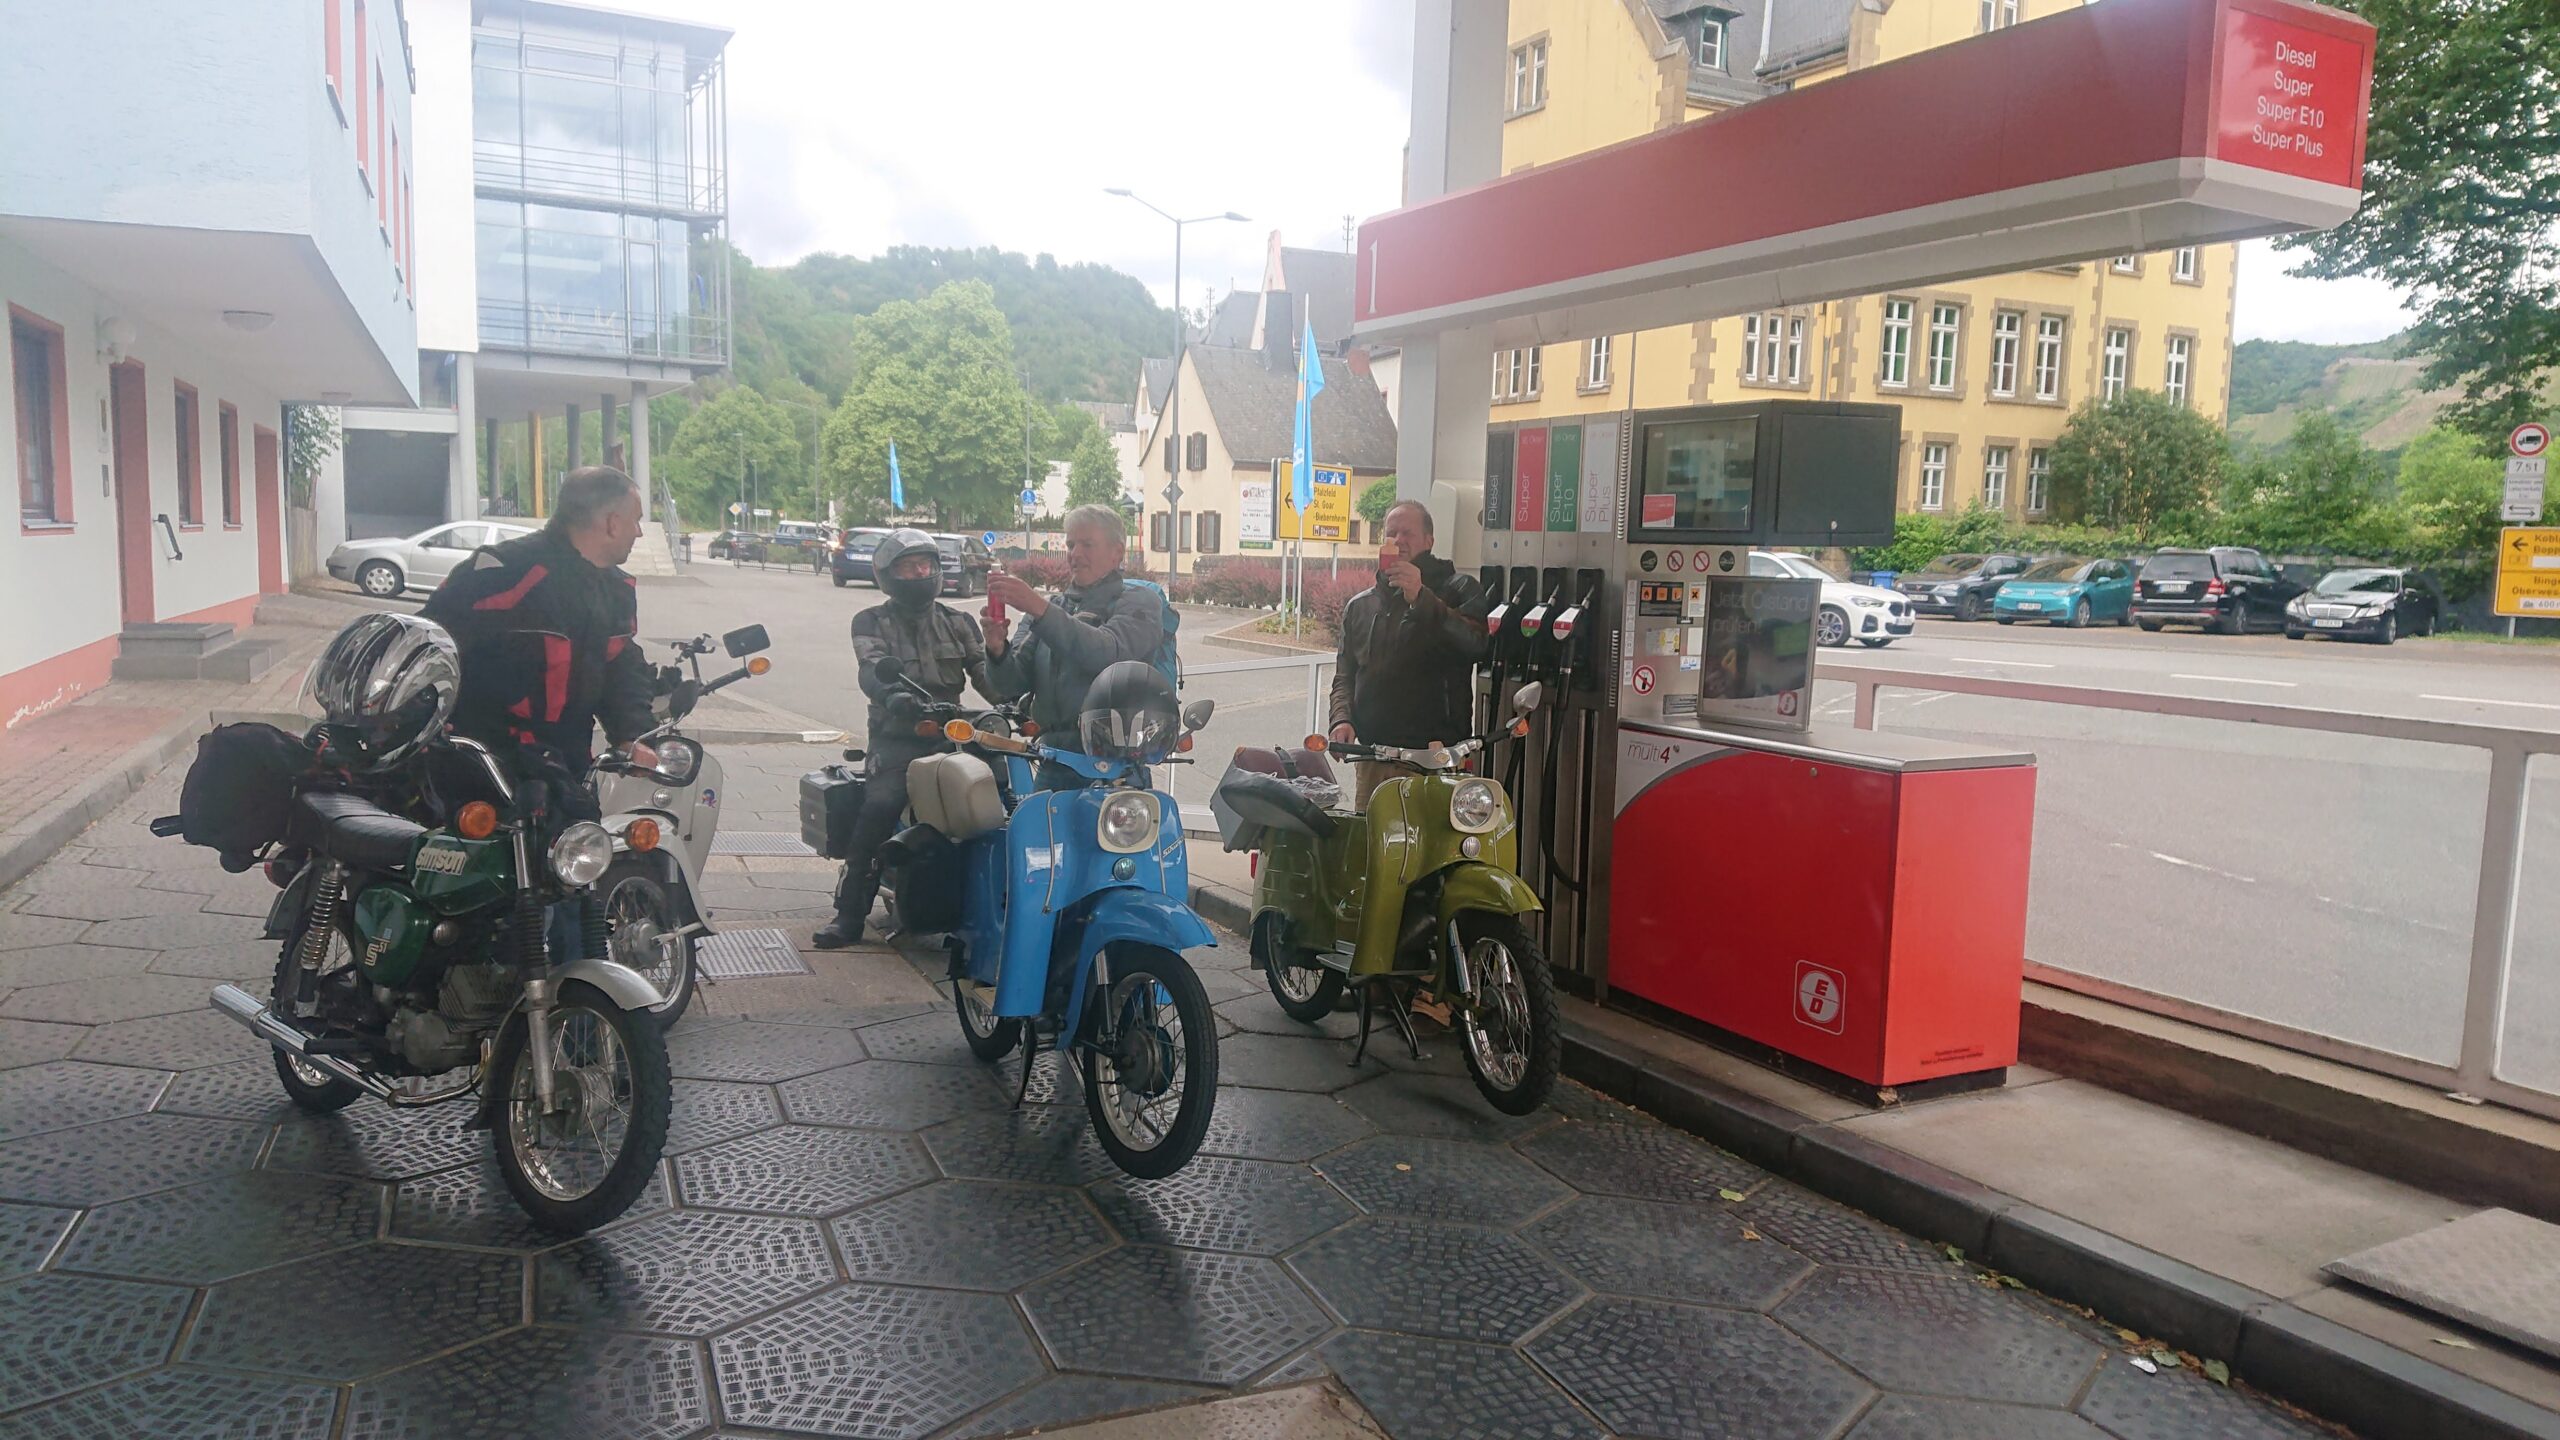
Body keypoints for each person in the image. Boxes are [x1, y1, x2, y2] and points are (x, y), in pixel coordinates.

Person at [422, 465, 658, 961]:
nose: (640, 531)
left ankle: (580, 1016)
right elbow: (429, 645)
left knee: (576, 891)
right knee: (496, 903)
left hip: (564, 766)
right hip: (484, 762)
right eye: (636, 520)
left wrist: (631, 733)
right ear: (610, 522)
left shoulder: (614, 589)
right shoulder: (505, 570)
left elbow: (622, 665)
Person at [815, 530, 993, 949]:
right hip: (899, 736)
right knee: (879, 805)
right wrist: (892, 696)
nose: (920, 572)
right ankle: (849, 913)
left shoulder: (959, 621)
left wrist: (1016, 697)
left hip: (952, 734)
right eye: (909, 566)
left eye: (926, 565)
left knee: (1000, 796)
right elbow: (871, 668)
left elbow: (985, 674)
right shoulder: (871, 621)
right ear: (888, 575)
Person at [984, 505, 1172, 789]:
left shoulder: (1140, 602)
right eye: (1071, 544)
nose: (1075, 554)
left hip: (1114, 769)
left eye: (1087, 544)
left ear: (1116, 553)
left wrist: (1038, 608)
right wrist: (996, 649)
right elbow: (1010, 685)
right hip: (1052, 763)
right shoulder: (1053, 608)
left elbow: (1107, 653)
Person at [1328, 499, 1490, 809]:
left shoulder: (1459, 589)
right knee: (1376, 849)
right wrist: (1342, 719)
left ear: (1429, 541)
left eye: (1408, 533)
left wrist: (1422, 598)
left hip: (1435, 756)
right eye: (1391, 534)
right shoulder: (1361, 606)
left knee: (1432, 851)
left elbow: (1476, 644)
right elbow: (1346, 674)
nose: (1399, 541)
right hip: (1374, 757)